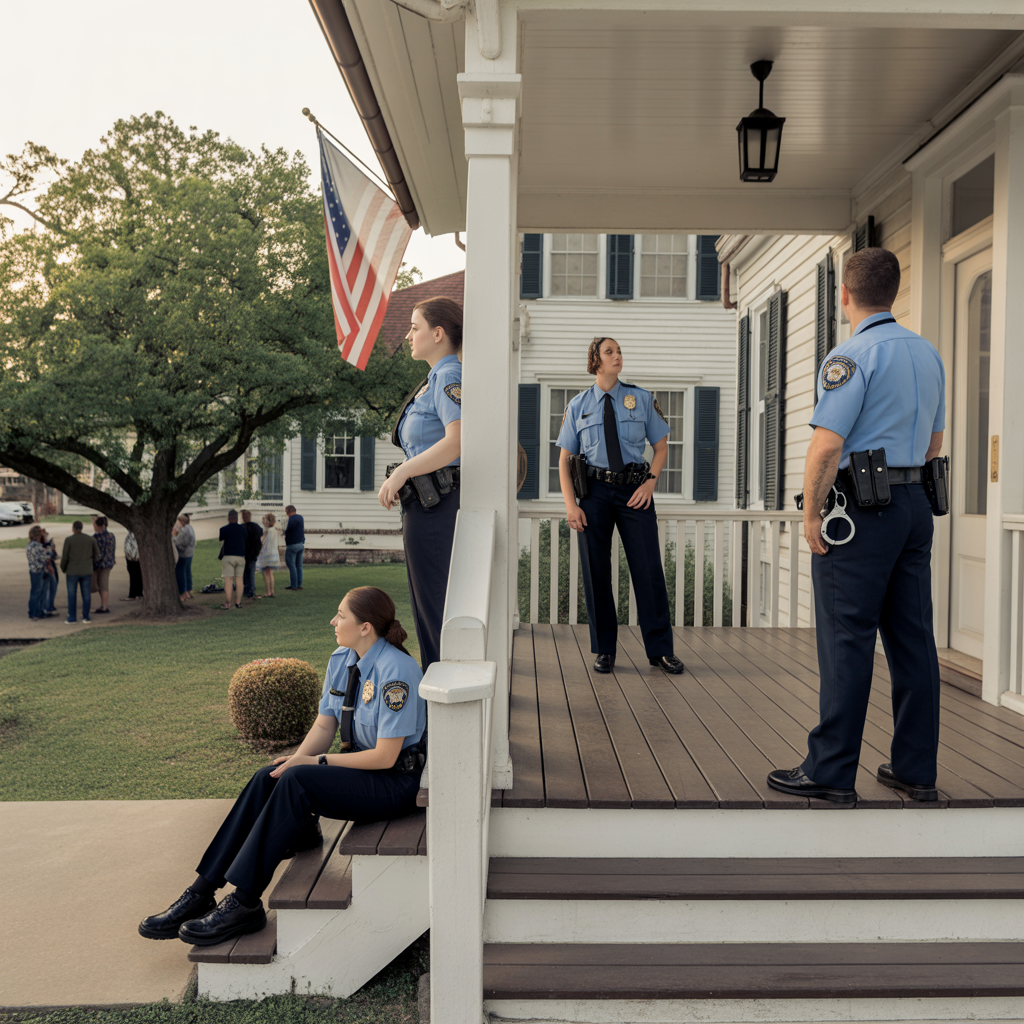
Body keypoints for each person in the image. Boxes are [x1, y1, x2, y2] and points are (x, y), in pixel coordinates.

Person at [138, 586, 425, 946]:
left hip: (394, 782)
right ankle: (201, 890)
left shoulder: (396, 671)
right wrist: (295, 759)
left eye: (341, 615)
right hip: (360, 773)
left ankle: (244, 902)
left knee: (300, 779)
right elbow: (325, 725)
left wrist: (314, 761)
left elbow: (385, 757)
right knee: (270, 776)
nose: (333, 621)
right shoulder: (342, 659)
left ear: (365, 627)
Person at [767, 247, 946, 805]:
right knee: (913, 639)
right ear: (893, 291)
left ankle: (831, 770)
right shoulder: (928, 354)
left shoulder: (850, 356)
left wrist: (811, 513)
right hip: (916, 503)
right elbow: (935, 441)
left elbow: (827, 446)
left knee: (848, 638)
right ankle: (915, 769)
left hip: (863, 512)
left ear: (845, 294)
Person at [556, 337, 685, 676]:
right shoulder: (578, 405)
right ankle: (605, 650)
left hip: (634, 491)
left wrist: (650, 482)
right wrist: (572, 506)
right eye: (609, 352)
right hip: (594, 494)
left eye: (619, 351)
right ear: (595, 361)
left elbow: (660, 447)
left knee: (649, 571)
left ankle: (660, 651)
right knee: (596, 572)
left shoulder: (640, 399)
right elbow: (564, 460)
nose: (617, 356)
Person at [378, 296, 463, 669]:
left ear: (438, 333)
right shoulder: (434, 379)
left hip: (437, 508)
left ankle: (442, 704)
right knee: (426, 605)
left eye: (415, 327)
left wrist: (403, 471)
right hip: (425, 505)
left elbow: (457, 440)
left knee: (435, 607)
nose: (409, 335)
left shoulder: (447, 376)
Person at [61, 521, 101, 624]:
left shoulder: (69, 540)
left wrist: (63, 568)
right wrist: (91, 562)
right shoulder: (90, 539)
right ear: (82, 528)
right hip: (86, 570)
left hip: (72, 570)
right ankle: (86, 617)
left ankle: (72, 617)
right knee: (86, 594)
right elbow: (98, 555)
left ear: (73, 528)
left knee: (71, 594)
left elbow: (65, 557)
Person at [219, 510, 248, 609]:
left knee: (229, 579)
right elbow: (245, 539)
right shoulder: (243, 529)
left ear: (229, 518)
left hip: (228, 556)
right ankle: (238, 602)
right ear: (237, 518)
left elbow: (221, 538)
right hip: (240, 556)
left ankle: (228, 603)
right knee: (239, 579)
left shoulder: (224, 529)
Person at [91, 516, 116, 615]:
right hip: (109, 563)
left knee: (100, 585)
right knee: (104, 584)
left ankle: (104, 607)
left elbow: (95, 553)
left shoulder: (95, 538)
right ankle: (104, 605)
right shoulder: (111, 536)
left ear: (97, 526)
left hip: (98, 564)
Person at [255, 513, 281, 598]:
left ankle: (268, 591)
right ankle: (272, 591)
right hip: (273, 553)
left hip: (267, 553)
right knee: (270, 573)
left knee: (266, 573)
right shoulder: (274, 530)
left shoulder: (267, 531)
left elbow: (262, 541)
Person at [25, 525, 49, 620]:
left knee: (34, 591)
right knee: (39, 592)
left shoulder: (29, 546)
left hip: (32, 570)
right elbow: (44, 559)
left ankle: (34, 611)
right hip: (39, 571)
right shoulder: (38, 546)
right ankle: (36, 612)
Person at [240, 510, 263, 600]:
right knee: (251, 571)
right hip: (253, 552)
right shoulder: (256, 527)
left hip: (245, 552)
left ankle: (247, 589)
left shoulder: (241, 527)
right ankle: (251, 589)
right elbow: (260, 535)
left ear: (243, 518)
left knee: (245, 572)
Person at [173, 514, 196, 600]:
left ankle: (183, 592)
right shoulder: (190, 528)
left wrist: (173, 536)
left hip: (183, 554)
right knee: (187, 571)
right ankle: (189, 590)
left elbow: (179, 542)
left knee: (180, 572)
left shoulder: (184, 530)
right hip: (190, 553)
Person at [283, 505, 305, 591]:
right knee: (299, 565)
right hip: (300, 543)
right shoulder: (300, 517)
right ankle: (299, 584)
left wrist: (285, 533)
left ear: (289, 511)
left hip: (292, 545)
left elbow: (289, 530)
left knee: (291, 565)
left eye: (286, 512)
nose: (286, 514)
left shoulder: (291, 519)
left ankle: (294, 585)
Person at [41, 527, 59, 616]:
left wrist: (53, 548)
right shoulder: (40, 546)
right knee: (49, 587)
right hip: (46, 567)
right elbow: (49, 556)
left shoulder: (47, 544)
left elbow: (55, 556)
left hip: (50, 564)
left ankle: (49, 605)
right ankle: (47, 607)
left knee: (53, 585)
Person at [122, 531, 143, 601]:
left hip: (133, 557)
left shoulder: (133, 534)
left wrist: (131, 556)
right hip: (135, 557)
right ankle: (138, 594)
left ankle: (133, 594)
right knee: (138, 575)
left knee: (134, 575)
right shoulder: (134, 534)